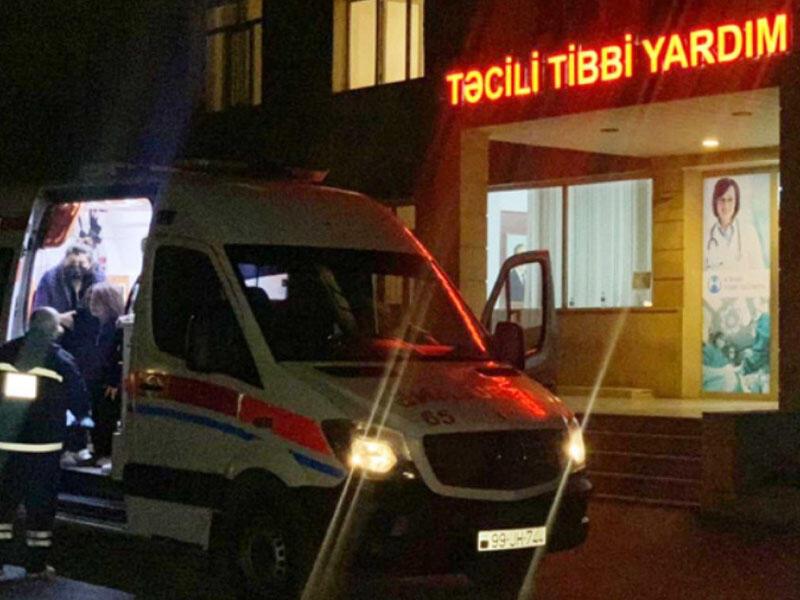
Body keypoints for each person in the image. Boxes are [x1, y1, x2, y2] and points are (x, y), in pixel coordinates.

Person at [0, 307, 90, 580]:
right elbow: (80, 402)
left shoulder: (4, 353)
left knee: (2, 507)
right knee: (40, 511)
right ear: (53, 330)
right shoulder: (60, 360)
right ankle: (36, 567)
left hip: (5, 449)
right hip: (43, 451)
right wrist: (78, 441)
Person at [84, 283, 124, 466]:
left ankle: (105, 452)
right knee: (97, 416)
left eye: (97, 301)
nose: (92, 305)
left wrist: (114, 381)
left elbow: (117, 356)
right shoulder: (97, 325)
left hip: (107, 381)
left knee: (105, 418)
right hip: (97, 378)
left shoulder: (115, 327)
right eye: (91, 300)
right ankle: (99, 451)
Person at [31, 243, 106, 326]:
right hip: (56, 327)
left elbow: (105, 313)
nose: (76, 269)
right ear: (64, 261)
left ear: (90, 264)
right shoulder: (49, 279)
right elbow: (39, 313)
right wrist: (58, 318)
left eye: (81, 264)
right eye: (72, 263)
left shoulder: (98, 280)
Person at [705, 177, 765, 270]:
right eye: (721, 199)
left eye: (730, 199)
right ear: (715, 202)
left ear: (736, 202)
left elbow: (759, 271)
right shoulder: (706, 236)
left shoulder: (749, 232)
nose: (725, 205)